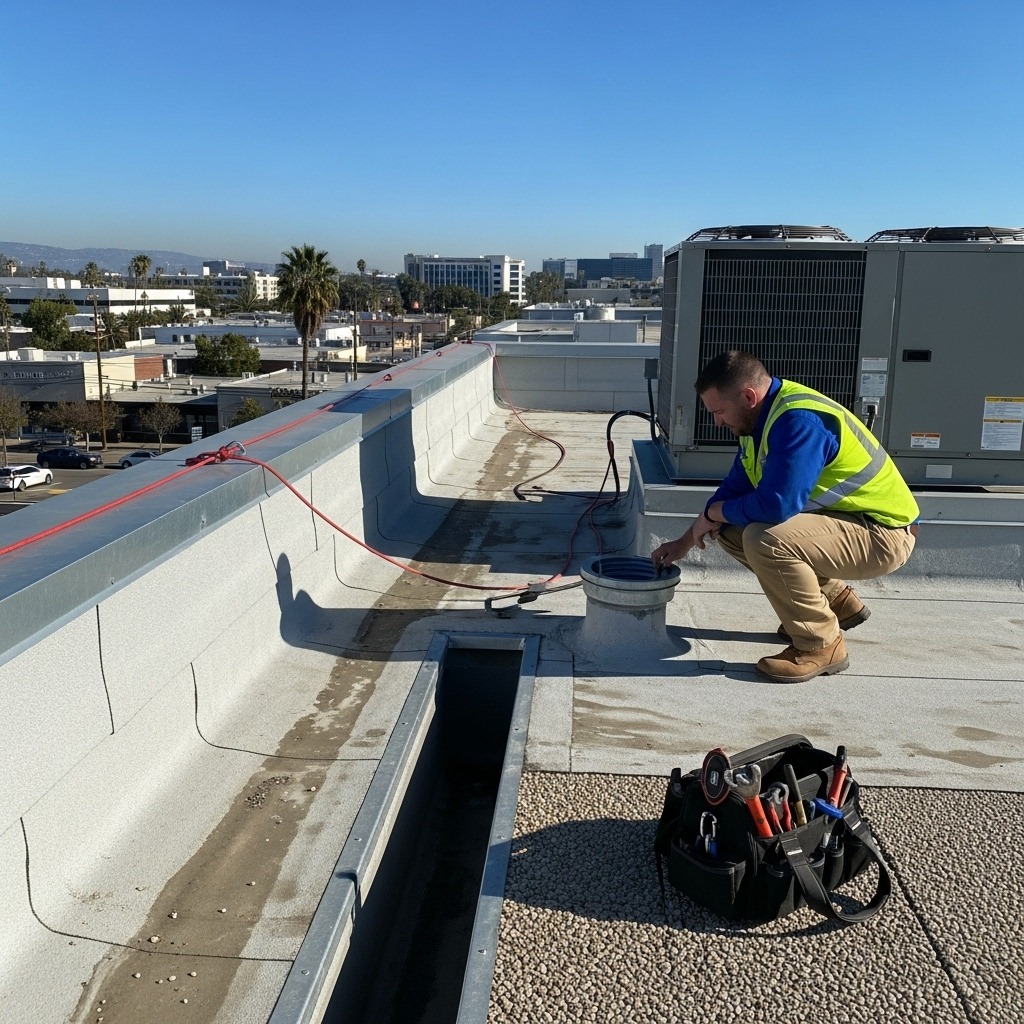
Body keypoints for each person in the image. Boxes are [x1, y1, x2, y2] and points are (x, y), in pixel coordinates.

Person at [651, 351, 919, 683]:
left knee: (765, 539)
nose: (716, 421)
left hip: (883, 534)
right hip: (850, 524)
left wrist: (715, 511)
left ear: (748, 397)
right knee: (732, 529)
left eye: (719, 411)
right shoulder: (762, 418)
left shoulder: (797, 422)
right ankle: (836, 602)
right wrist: (686, 540)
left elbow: (777, 505)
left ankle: (820, 644)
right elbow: (738, 485)